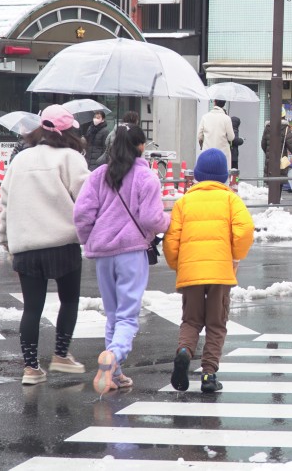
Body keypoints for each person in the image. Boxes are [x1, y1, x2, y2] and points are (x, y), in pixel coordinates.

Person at [74, 123, 170, 394]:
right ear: (140, 147)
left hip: (103, 254)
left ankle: (113, 374)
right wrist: (169, 222)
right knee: (128, 317)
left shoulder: (99, 175)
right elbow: (152, 218)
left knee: (113, 315)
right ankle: (113, 356)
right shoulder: (147, 177)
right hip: (131, 253)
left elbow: (81, 214)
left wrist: (89, 238)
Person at [0, 105, 90, 385]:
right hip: (63, 243)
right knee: (69, 300)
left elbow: (5, 204)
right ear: (69, 131)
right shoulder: (71, 158)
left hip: (26, 245)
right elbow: (86, 203)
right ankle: (61, 354)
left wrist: (6, 240)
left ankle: (30, 368)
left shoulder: (20, 160)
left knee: (32, 308)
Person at [164, 148, 254, 393]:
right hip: (220, 273)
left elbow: (171, 240)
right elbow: (245, 230)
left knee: (191, 320)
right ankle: (209, 375)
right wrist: (235, 255)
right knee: (216, 323)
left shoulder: (184, 202)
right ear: (224, 176)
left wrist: (177, 265)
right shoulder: (230, 200)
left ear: (197, 175)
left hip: (191, 274)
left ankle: (184, 351)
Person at [197, 100, 235, 171]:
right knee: (221, 176)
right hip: (222, 154)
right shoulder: (227, 118)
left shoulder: (205, 117)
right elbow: (231, 137)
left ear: (214, 102)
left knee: (208, 173)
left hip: (207, 152)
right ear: (224, 104)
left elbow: (199, 135)